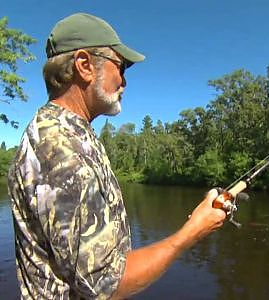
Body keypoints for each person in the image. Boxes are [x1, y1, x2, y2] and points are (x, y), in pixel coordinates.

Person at [8, 13, 226, 299]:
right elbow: (106, 286)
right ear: (85, 65)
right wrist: (191, 232)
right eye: (121, 66)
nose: (124, 81)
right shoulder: (58, 150)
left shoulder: (74, 133)